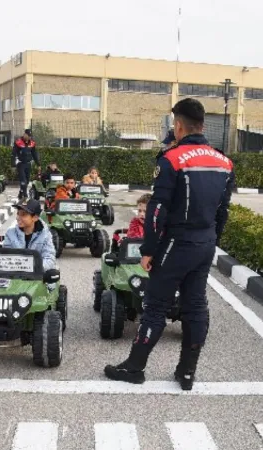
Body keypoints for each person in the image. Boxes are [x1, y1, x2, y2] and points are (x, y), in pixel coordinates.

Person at [104, 98, 233, 391]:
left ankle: (135, 367)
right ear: (202, 125)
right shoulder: (224, 162)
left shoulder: (172, 159)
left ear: (178, 125)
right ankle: (186, 373)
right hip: (205, 243)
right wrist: (213, 241)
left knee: (155, 308)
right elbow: (223, 212)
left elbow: (157, 211)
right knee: (196, 307)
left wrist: (148, 249)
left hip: (177, 244)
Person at [2, 199, 56, 271]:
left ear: (35, 218)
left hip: (36, 277)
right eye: (18, 213)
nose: (18, 218)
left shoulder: (45, 235)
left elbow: (49, 259)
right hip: (15, 276)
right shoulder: (10, 233)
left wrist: (32, 267)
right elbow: (6, 257)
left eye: (23, 214)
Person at [13, 129, 40, 200]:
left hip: (28, 164)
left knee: (27, 181)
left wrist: (38, 164)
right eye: (28, 135)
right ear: (25, 134)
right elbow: (13, 154)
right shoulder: (18, 142)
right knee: (23, 181)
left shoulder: (32, 143)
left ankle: (21, 191)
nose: (29, 137)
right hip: (20, 164)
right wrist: (13, 164)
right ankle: (25, 195)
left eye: (30, 136)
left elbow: (34, 154)